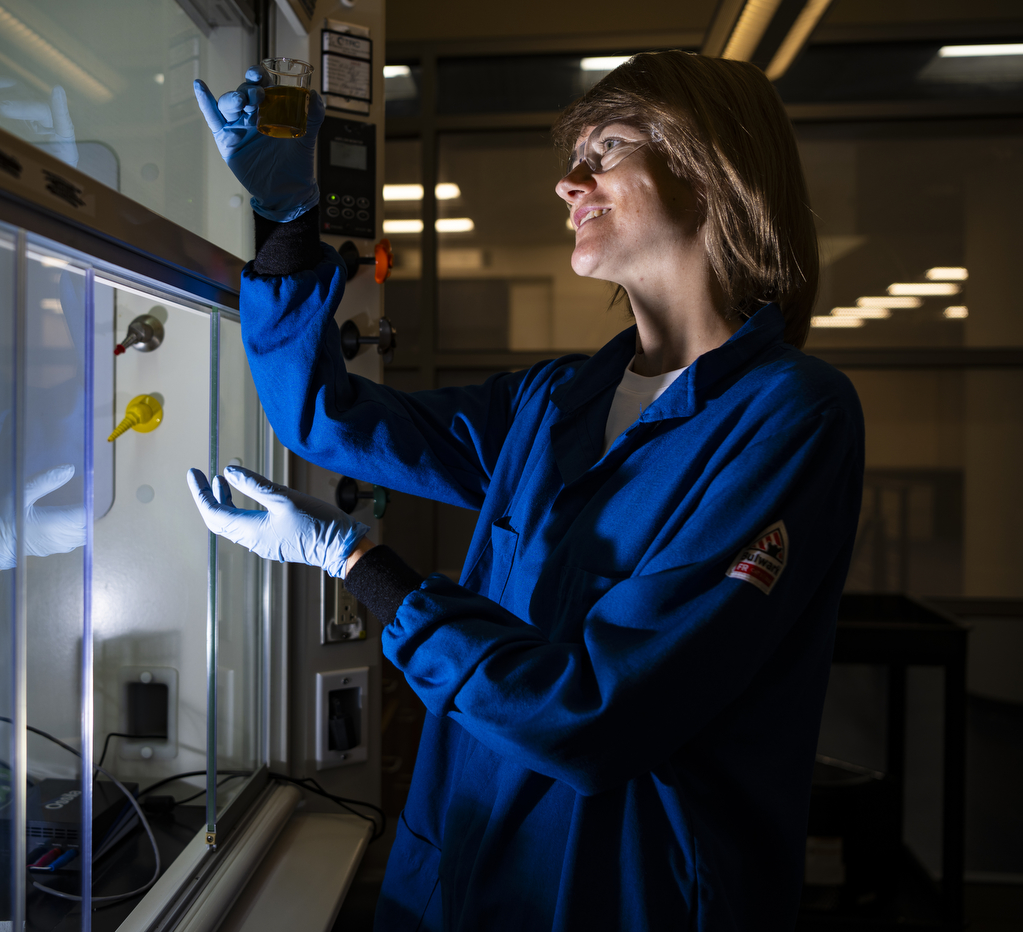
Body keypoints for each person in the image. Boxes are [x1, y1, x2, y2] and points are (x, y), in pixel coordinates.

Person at [186, 50, 865, 930]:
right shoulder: (555, 403)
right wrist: (286, 218)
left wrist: (355, 561)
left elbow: (597, 714)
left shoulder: (789, 418)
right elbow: (328, 418)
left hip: (618, 894)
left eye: (608, 146)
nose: (569, 182)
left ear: (712, 168)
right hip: (458, 873)